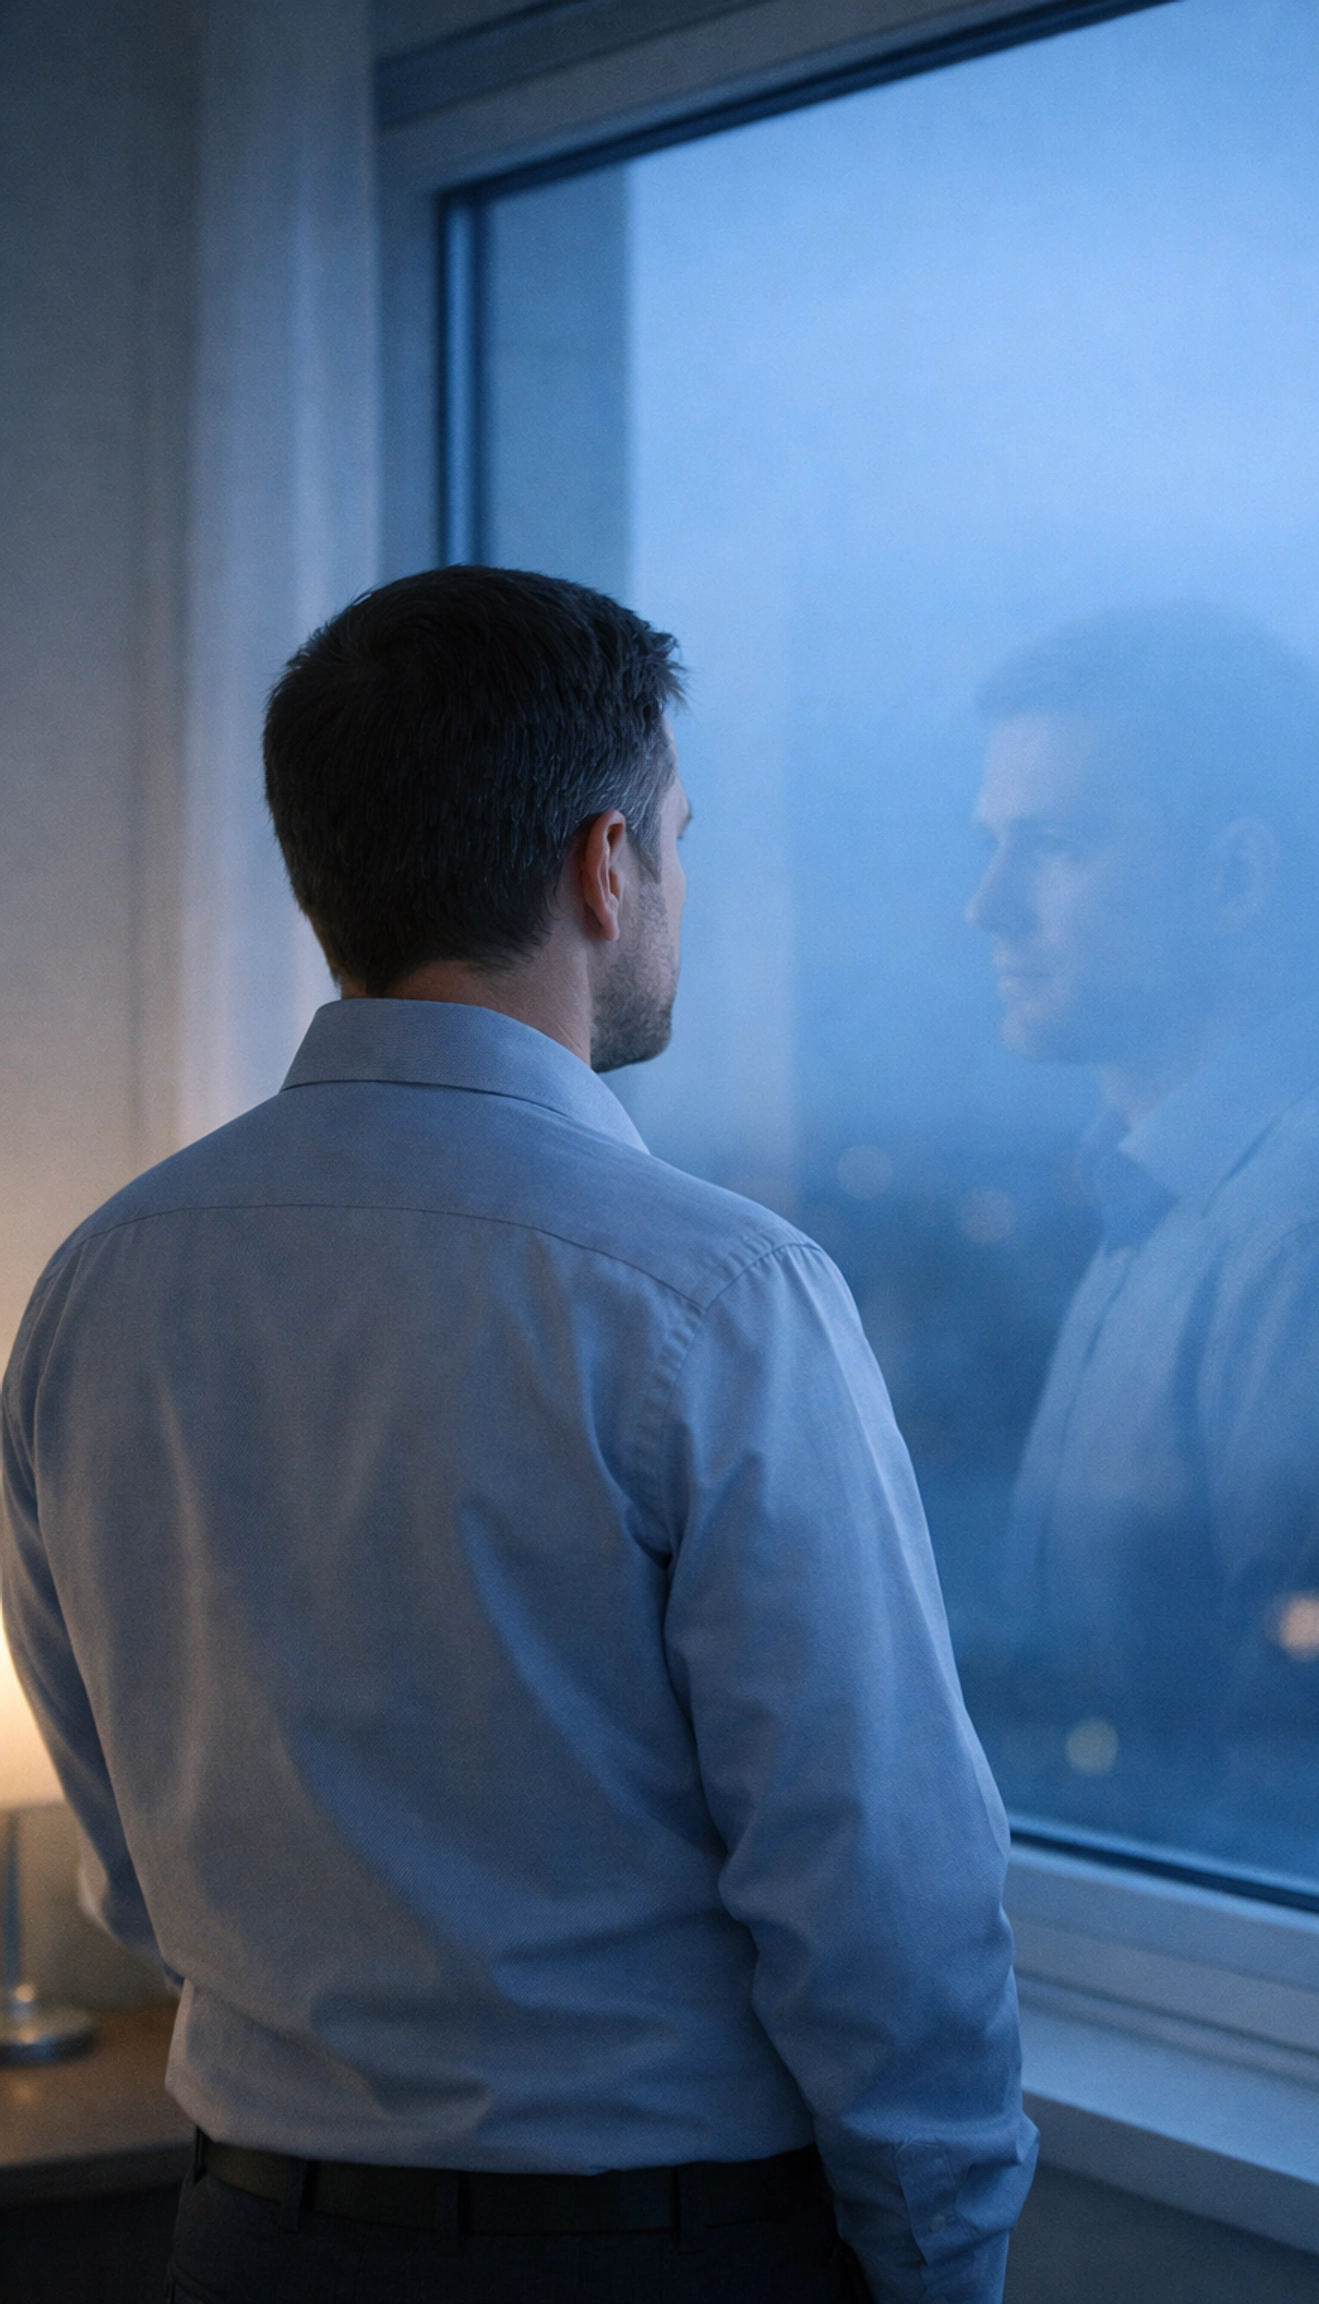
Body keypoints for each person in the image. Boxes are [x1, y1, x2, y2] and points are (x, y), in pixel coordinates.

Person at [2, 567, 1034, 2303]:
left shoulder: (97, 1281)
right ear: (605, 863)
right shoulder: (716, 1293)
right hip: (654, 2254)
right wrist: (945, 2263)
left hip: (247, 2243)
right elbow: (877, 1881)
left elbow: (131, 1860)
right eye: (677, 841)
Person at [965, 602, 1319, 1869]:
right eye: (993, 847)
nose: (987, 907)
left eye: (1052, 847)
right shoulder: (1172, 1194)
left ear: (1235, 882)